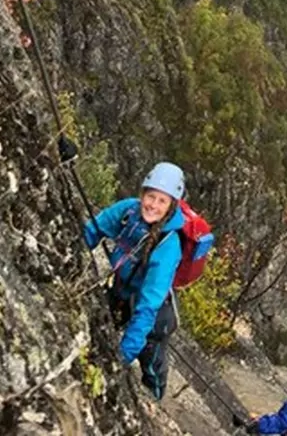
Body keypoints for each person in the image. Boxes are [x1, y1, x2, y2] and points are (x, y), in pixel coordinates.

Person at [84, 162, 186, 401]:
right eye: (151, 196)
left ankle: (155, 401)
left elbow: (148, 306)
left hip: (155, 313)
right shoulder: (128, 212)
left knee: (151, 363)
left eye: (162, 201)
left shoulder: (168, 245)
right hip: (122, 291)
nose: (153, 205)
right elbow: (93, 230)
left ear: (171, 206)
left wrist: (120, 359)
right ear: (142, 194)